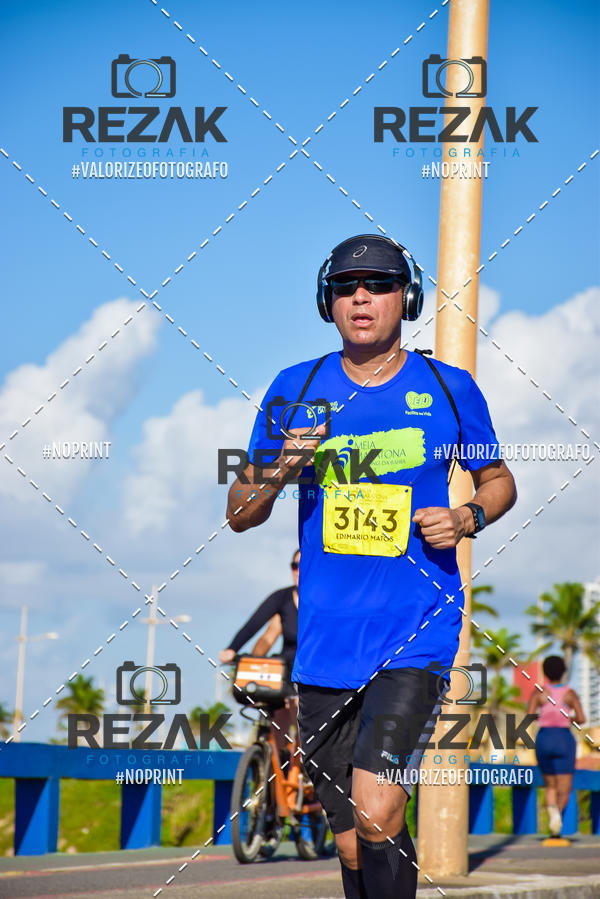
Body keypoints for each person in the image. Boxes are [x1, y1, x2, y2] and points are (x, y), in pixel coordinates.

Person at [226, 234, 517, 898]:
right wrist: (278, 471)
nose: (362, 296)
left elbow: (498, 478)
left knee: (380, 808)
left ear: (405, 298)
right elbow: (239, 509)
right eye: (348, 285)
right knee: (355, 837)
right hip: (327, 646)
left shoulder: (449, 387)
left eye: (380, 284)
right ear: (327, 300)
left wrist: (467, 516)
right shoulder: (294, 386)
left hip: (415, 633)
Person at [219, 549, 300, 750]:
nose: (298, 571)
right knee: (277, 717)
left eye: (304, 566)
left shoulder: (321, 603)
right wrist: (234, 650)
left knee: (297, 712)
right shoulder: (282, 599)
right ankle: (273, 766)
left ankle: (300, 766)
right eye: (294, 566)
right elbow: (261, 632)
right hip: (284, 671)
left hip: (311, 672)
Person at [527, 655, 585, 837]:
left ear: (545, 672)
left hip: (544, 738)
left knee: (550, 785)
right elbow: (582, 719)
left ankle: (553, 813)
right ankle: (557, 816)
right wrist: (568, 717)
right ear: (563, 672)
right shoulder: (570, 693)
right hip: (563, 739)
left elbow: (529, 716)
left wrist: (544, 716)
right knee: (565, 788)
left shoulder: (539, 692)